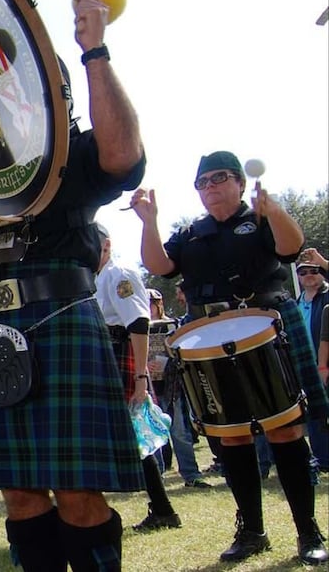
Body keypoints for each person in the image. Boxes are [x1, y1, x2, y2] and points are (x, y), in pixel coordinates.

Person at [0, 0, 147, 571]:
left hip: (58, 316)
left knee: (78, 492)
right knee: (18, 491)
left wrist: (94, 51)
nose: (3, 92)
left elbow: (123, 154)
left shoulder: (74, 153)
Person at [132, 150, 329, 564]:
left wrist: (274, 210)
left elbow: (291, 248)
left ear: (240, 182)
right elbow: (160, 265)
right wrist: (149, 221)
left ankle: (308, 531)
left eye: (219, 178)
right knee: (232, 434)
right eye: (202, 182)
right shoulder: (191, 234)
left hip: (268, 330)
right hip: (209, 340)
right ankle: (252, 532)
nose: (210, 187)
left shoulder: (261, 219)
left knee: (285, 431)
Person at [93, 226, 181, 533]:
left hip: (122, 353)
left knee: (132, 435)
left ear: (106, 245)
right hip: (106, 354)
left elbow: (138, 324)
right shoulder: (96, 277)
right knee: (127, 437)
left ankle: (163, 509)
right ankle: (162, 509)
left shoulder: (119, 273)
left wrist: (141, 377)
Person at [145, 289, 210, 488]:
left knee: (180, 433)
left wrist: (166, 363)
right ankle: (157, 478)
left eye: (152, 303)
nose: (149, 308)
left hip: (171, 386)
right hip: (149, 388)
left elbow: (180, 352)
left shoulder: (172, 325)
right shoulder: (136, 328)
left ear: (159, 305)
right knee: (152, 435)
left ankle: (191, 474)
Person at [296, 250, 329, 469]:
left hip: (326, 364)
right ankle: (322, 459)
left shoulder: (327, 296)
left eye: (314, 270)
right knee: (315, 414)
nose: (309, 275)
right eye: (303, 272)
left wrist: (323, 262)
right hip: (306, 366)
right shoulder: (296, 302)